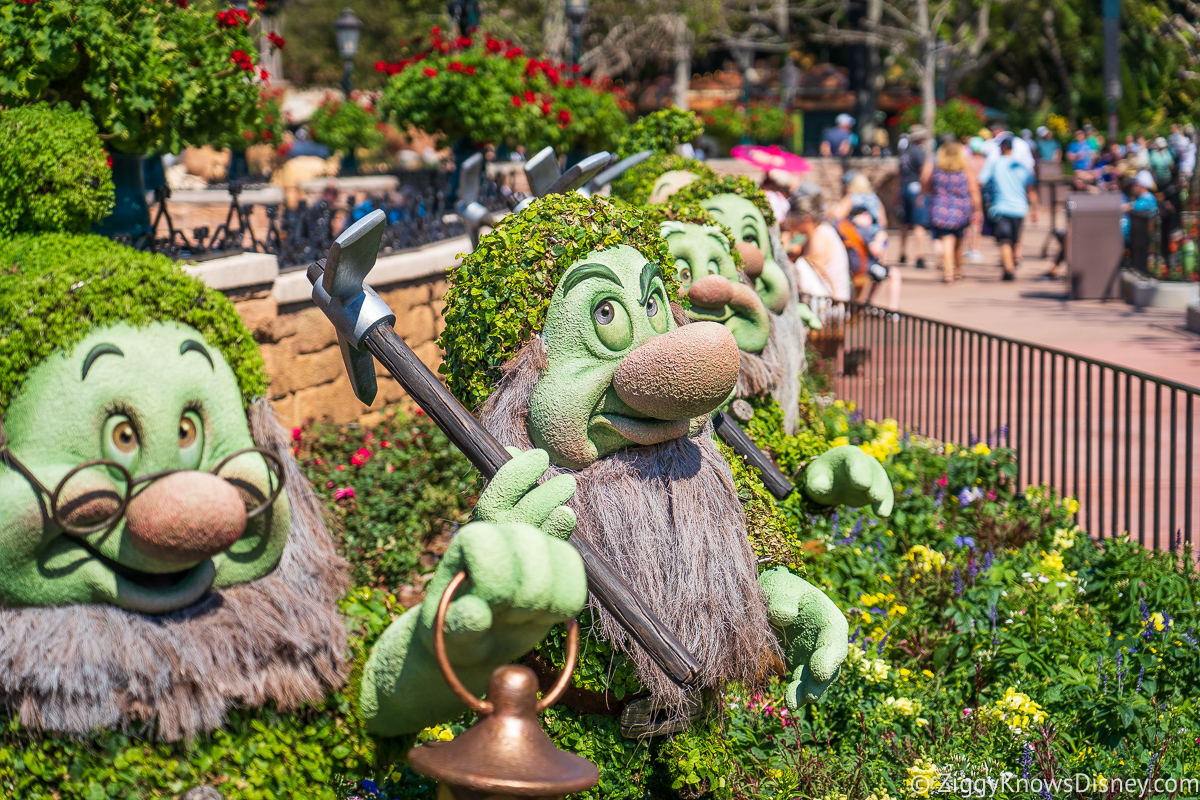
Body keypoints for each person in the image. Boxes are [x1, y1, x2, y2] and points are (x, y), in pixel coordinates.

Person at [978, 136, 1039, 281]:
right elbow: (1031, 190)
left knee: (1004, 240)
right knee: (1014, 239)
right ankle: (1011, 263)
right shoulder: (1022, 166)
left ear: (1002, 147)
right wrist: (1035, 209)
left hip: (1000, 207)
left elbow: (981, 181)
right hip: (1019, 208)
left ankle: (1009, 269)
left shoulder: (995, 164)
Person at [921, 140, 981, 284]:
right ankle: (957, 270)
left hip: (940, 209)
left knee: (947, 239)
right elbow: (973, 189)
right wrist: (978, 209)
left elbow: (926, 186)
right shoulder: (964, 169)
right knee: (959, 240)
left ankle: (949, 272)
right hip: (961, 210)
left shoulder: (937, 169)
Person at [785, 191, 853, 303]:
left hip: (831, 304)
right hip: (827, 300)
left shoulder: (820, 236)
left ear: (806, 219)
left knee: (800, 266)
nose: (793, 227)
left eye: (794, 222)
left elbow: (810, 274)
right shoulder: (820, 232)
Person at [897, 124, 931, 269]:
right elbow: (925, 172)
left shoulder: (905, 151)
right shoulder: (919, 151)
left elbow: (898, 173)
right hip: (916, 188)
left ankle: (903, 253)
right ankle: (919, 255)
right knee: (919, 224)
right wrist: (923, 192)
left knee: (905, 223)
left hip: (905, 188)